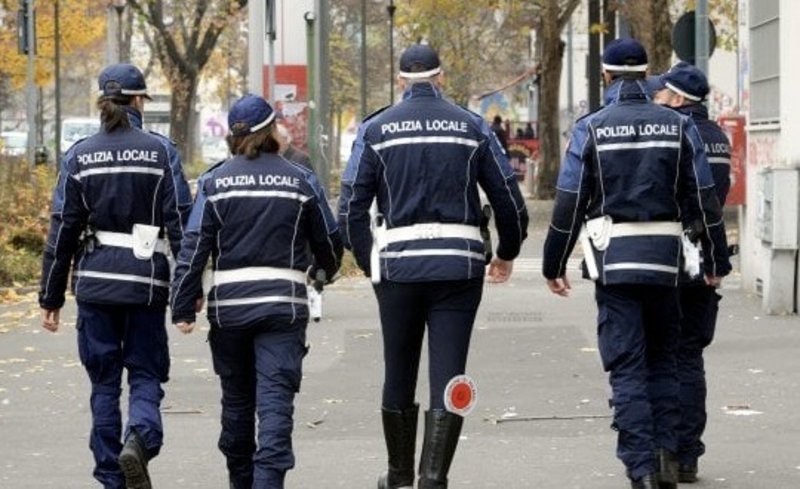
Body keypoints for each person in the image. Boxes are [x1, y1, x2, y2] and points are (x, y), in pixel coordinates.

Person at [541, 39, 730, 489]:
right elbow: (704, 201)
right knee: (664, 359)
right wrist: (717, 258)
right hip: (666, 263)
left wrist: (554, 263)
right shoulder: (678, 125)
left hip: (615, 264)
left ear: (605, 77)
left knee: (627, 365)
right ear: (647, 76)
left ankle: (641, 468)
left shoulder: (591, 128)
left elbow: (569, 203)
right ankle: (666, 459)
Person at [338, 44, 528, 489]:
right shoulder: (471, 126)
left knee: (398, 368)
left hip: (398, 268)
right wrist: (506, 253)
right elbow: (509, 203)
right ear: (441, 78)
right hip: (458, 269)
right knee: (450, 373)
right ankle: (433, 478)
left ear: (401, 81)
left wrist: (372, 264)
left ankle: (398, 474)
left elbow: (349, 210)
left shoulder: (376, 130)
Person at [170, 94, 342, 489]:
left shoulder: (215, 181)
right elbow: (330, 242)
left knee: (237, 401)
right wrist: (322, 271)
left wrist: (183, 303)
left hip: (230, 311)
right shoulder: (300, 179)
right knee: (276, 402)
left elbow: (195, 245)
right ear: (272, 130)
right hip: (283, 309)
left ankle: (240, 481)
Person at [39, 63, 191, 489]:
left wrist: (49, 298)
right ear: (139, 100)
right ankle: (139, 442)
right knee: (144, 373)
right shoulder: (161, 152)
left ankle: (111, 476)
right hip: (146, 285)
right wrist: (188, 290)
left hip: (95, 284)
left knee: (103, 383)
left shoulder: (79, 155)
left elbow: (62, 229)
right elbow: (181, 223)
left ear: (103, 103)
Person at [651, 62, 731, 484]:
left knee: (666, 356)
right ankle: (689, 456)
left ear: (679, 99)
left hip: (673, 256)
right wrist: (719, 260)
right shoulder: (718, 136)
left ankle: (667, 450)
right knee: (691, 357)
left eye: (663, 92)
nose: (657, 97)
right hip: (706, 258)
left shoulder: (674, 132)